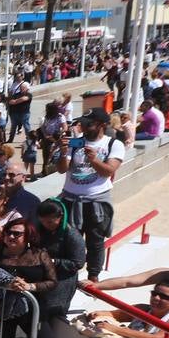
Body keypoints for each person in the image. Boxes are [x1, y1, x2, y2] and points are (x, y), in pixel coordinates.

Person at [56, 109, 124, 281]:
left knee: (95, 240)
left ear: (101, 125)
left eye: (89, 123)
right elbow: (62, 169)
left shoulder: (113, 144)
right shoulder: (75, 143)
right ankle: (69, 275)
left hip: (96, 201)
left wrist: (94, 160)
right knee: (69, 239)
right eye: (83, 123)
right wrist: (63, 152)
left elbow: (108, 171)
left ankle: (93, 276)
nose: (84, 127)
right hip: (71, 199)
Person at [88, 244, 169, 323]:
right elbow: (127, 281)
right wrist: (95, 286)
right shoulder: (167, 274)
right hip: (157, 322)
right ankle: (108, 314)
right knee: (142, 308)